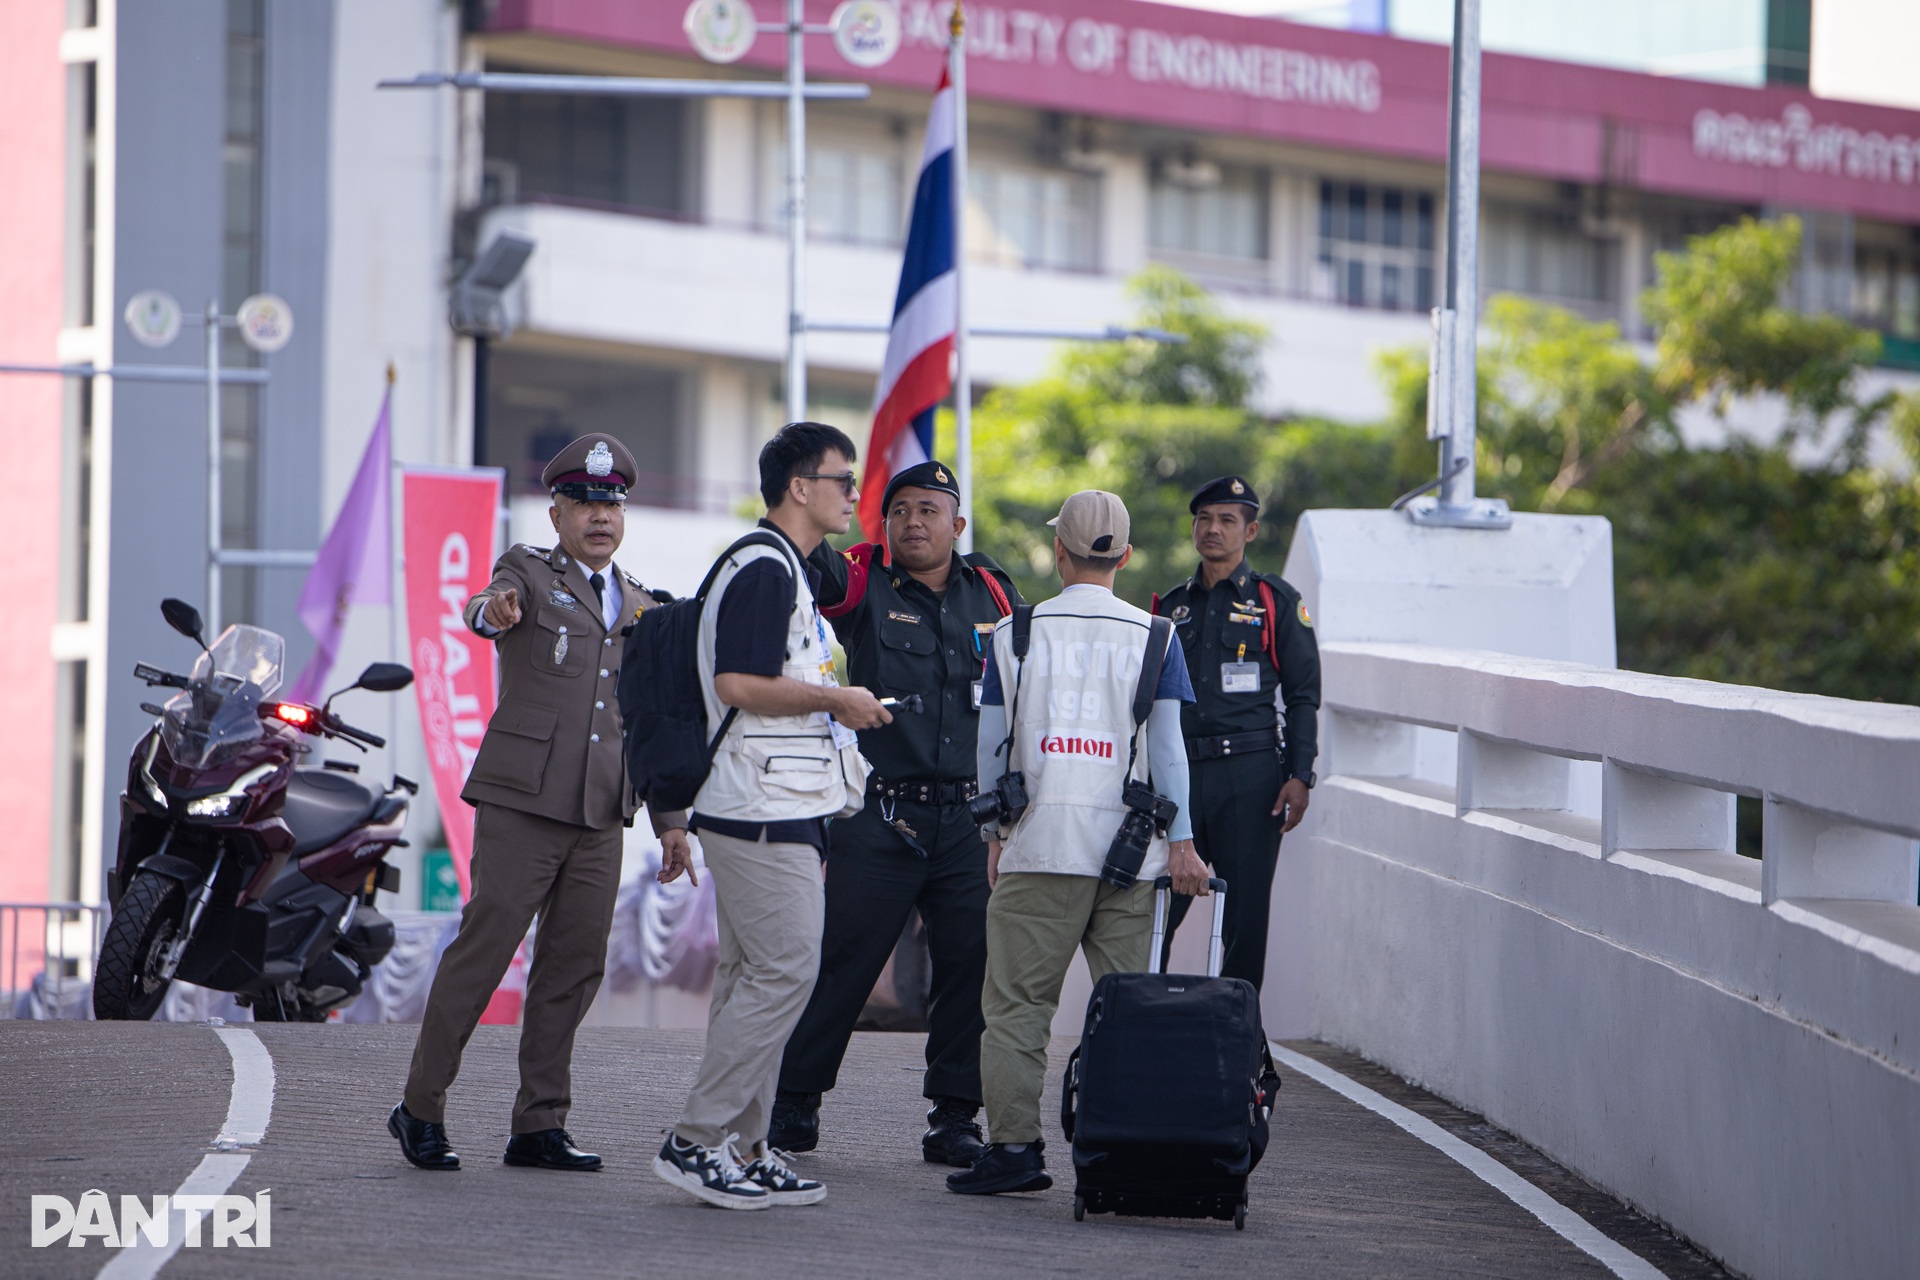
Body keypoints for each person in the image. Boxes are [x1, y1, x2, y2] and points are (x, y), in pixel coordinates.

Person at [389, 432, 693, 1174]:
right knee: (484, 953)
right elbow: (484, 607)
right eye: (584, 503)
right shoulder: (527, 570)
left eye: (611, 504)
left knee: (573, 968)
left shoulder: (645, 605)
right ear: (557, 514)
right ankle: (420, 1108)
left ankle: (539, 1125)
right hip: (523, 802)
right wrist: (492, 612)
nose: (600, 516)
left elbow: (649, 722)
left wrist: (672, 823)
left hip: (601, 813)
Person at [652, 422, 892, 1211]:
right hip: (758, 805)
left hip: (774, 800)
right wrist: (838, 699)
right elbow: (739, 683)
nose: (854, 494)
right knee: (787, 970)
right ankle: (696, 1140)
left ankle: (746, 1148)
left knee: (753, 976)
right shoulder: (763, 567)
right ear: (799, 487)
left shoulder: (784, 565)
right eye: (842, 480)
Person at [948, 490, 1213, 1197]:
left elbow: (990, 745)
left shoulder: (1014, 633)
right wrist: (1183, 842)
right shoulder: (1157, 636)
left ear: (1058, 552)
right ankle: (1129, 1156)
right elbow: (1169, 750)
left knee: (1017, 1008)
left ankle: (1014, 1150)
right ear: (1125, 557)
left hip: (1039, 847)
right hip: (1132, 854)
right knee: (1131, 1014)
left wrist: (994, 834)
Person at [768, 460, 1023, 1168]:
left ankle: (954, 1117)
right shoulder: (861, 579)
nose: (913, 522)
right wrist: (805, 487)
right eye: (900, 510)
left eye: (928, 510)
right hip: (881, 815)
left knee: (969, 965)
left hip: (969, 819)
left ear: (957, 524)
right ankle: (794, 1103)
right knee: (841, 961)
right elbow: (799, 552)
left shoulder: (994, 591)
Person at [1151, 475, 1320, 989]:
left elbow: (1303, 695)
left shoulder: (1275, 601)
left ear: (1250, 531)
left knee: (1244, 922)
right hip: (1179, 776)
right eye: (1204, 519)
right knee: (1155, 912)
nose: (1213, 529)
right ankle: (1139, 1021)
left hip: (1250, 778)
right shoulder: (1170, 607)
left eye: (1227, 520)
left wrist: (1301, 774)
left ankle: (1238, 1031)